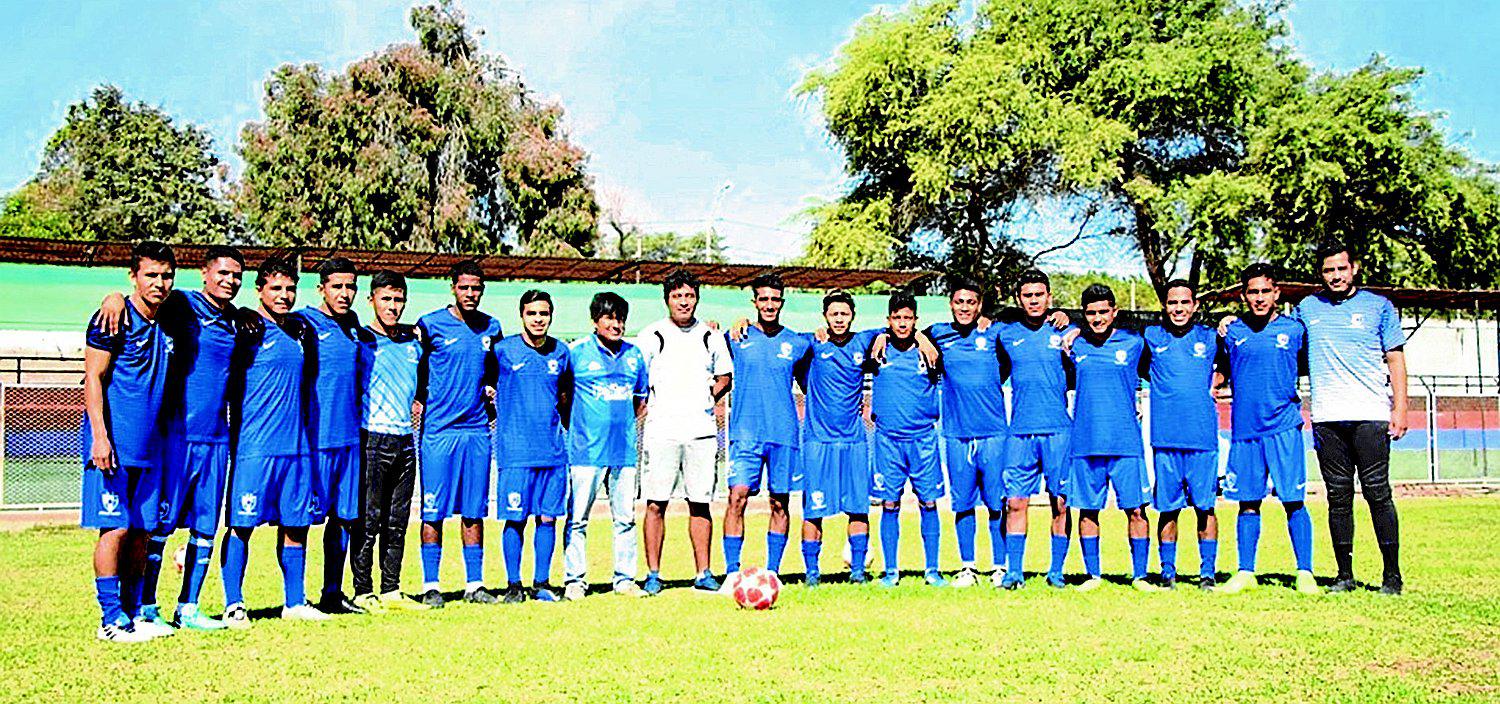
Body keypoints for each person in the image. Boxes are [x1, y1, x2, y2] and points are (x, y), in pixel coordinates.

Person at [95, 246, 248, 631]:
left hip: (216, 438)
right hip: (176, 437)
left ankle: (188, 607)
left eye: (236, 275)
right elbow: (136, 301)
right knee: (156, 526)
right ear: (204, 274)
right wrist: (112, 297)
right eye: (222, 273)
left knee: (206, 527)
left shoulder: (238, 321)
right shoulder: (180, 304)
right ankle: (145, 606)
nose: (229, 281)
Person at [221, 259, 331, 626]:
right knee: (242, 525)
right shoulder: (245, 329)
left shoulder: (301, 331)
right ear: (259, 290)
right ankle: (234, 603)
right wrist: (241, 312)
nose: (284, 296)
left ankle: (294, 601)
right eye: (276, 288)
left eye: (290, 289)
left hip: (296, 448)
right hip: (255, 448)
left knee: (296, 525)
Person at [81, 241, 178, 642]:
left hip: (151, 448)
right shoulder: (113, 317)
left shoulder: (170, 318)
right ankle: (110, 620)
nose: (159, 283)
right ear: (133, 276)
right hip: (113, 446)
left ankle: (134, 613)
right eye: (150, 275)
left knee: (141, 531)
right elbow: (93, 377)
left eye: (166, 276)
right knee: (115, 529)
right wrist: (100, 438)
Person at [1299, 242, 1407, 595]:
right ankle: (1344, 575)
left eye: (1341, 269)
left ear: (1354, 268)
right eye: (1328, 270)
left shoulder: (1379, 306)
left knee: (1378, 493)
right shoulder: (1307, 308)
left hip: (1370, 415)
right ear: (1321, 274)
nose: (1335, 276)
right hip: (1328, 417)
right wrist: (1229, 321)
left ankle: (1392, 575)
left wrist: (1400, 408)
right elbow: (1278, 333)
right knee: (1338, 497)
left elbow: (1395, 359)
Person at [1216, 263, 1319, 595]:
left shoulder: (1296, 331)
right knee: (1248, 502)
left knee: (1293, 500)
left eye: (1265, 291)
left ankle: (1305, 572)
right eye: (1253, 292)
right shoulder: (1232, 332)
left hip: (1283, 428)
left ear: (1276, 293)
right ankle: (1246, 571)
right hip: (1245, 431)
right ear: (1244, 296)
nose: (1259, 298)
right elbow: (1221, 371)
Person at [637, 270, 733, 595]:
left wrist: (705, 401)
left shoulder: (710, 335)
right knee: (655, 503)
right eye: (677, 296)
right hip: (661, 432)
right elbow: (638, 379)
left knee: (700, 502)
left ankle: (703, 573)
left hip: (701, 433)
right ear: (667, 299)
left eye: (689, 296)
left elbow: (724, 377)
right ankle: (653, 574)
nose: (683, 302)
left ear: (697, 299)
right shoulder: (651, 335)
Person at [415, 261, 504, 608]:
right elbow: (416, 369)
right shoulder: (430, 324)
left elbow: (495, 372)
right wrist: (417, 400)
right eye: (464, 287)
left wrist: (491, 387)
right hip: (439, 431)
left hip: (477, 430)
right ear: (452, 287)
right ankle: (431, 585)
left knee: (473, 510)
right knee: (432, 511)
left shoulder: (492, 327)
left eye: (476, 288)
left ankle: (475, 584)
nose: (470, 294)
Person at [1065, 284, 1157, 592]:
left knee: (1136, 510)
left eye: (1103, 311)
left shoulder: (1134, 343)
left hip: (1125, 443)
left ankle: (1140, 576)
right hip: (1085, 442)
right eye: (1091, 313)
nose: (1097, 318)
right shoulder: (1074, 346)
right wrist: (1072, 328)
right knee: (1088, 510)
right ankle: (1093, 575)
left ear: (1114, 312)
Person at [722, 273, 811, 583]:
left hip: (783, 433)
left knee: (780, 503)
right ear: (755, 302)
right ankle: (732, 573)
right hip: (745, 433)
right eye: (764, 299)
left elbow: (812, 383)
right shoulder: (736, 336)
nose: (770, 304)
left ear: (782, 302)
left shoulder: (797, 343)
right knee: (737, 497)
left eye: (775, 299)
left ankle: (773, 573)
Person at [294, 257, 369, 615]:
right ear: (320, 288)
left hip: (349, 441)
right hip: (315, 441)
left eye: (350, 286)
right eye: (337, 286)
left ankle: (332, 593)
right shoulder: (303, 322)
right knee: (301, 521)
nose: (344, 293)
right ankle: (294, 598)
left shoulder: (352, 324)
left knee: (343, 519)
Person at [923, 277, 1009, 588]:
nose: (964, 308)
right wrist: (920, 338)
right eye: (959, 302)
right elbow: (903, 330)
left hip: (994, 433)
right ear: (950, 304)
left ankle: (1000, 566)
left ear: (980, 306)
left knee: (997, 503)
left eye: (971, 303)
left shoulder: (995, 333)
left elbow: (1024, 325)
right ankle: (967, 567)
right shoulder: (938, 333)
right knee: (962, 504)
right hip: (956, 434)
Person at [563, 292, 650, 600]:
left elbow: (640, 401)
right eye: (609, 318)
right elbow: (563, 397)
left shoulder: (635, 355)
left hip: (624, 452)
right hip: (585, 452)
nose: (616, 325)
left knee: (625, 519)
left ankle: (624, 580)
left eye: (621, 319)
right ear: (595, 321)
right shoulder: (576, 353)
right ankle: (575, 580)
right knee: (577, 519)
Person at [350, 271, 428, 613]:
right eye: (386, 299)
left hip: (406, 440)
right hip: (371, 439)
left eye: (398, 300)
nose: (393, 306)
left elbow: (422, 387)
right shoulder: (361, 340)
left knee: (398, 520)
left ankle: (391, 589)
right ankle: (362, 591)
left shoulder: (414, 344)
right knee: (369, 519)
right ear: (372, 300)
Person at [492, 290, 574, 604]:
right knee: (516, 518)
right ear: (521, 315)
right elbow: (484, 386)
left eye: (544, 313)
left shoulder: (561, 352)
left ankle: (542, 583)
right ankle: (514, 585)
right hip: (516, 452)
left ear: (551, 316)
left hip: (552, 452)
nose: (538, 319)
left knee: (548, 518)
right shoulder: (502, 351)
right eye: (532, 313)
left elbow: (566, 398)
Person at [997, 269, 1076, 589]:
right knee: (1015, 502)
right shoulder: (1005, 334)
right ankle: (1014, 572)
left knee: (1061, 502)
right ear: (1019, 299)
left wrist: (1072, 321)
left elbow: (1097, 331)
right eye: (1027, 295)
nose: (1033, 300)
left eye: (1039, 295)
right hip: (1020, 432)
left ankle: (1056, 571)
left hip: (1058, 430)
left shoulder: (1066, 331)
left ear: (1049, 297)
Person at [1142, 280, 1222, 589]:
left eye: (1184, 302)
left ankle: (1207, 572)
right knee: (1168, 509)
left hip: (1202, 439)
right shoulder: (1151, 337)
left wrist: (1217, 382)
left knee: (1205, 507)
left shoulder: (1211, 337)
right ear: (1164, 306)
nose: (1178, 308)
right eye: (1172, 303)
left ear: (1195, 305)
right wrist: (1074, 329)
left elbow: (1231, 361)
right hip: (1165, 439)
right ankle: (1167, 571)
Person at [797, 291, 881, 585]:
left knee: (858, 508)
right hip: (818, 442)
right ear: (825, 317)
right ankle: (812, 573)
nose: (839, 319)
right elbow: (778, 338)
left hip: (854, 441)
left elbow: (898, 328)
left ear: (853, 316)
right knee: (813, 510)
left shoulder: (864, 341)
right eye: (834, 314)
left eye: (844, 314)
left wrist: (915, 337)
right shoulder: (812, 342)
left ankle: (857, 571)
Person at [870, 293, 946, 588]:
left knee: (929, 502)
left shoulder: (930, 350)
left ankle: (932, 570)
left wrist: (922, 337)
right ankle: (891, 571)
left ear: (916, 321)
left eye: (908, 318)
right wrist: (881, 334)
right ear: (888, 320)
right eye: (897, 318)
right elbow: (844, 336)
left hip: (923, 440)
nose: (902, 323)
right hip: (888, 440)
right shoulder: (876, 348)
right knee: (889, 504)